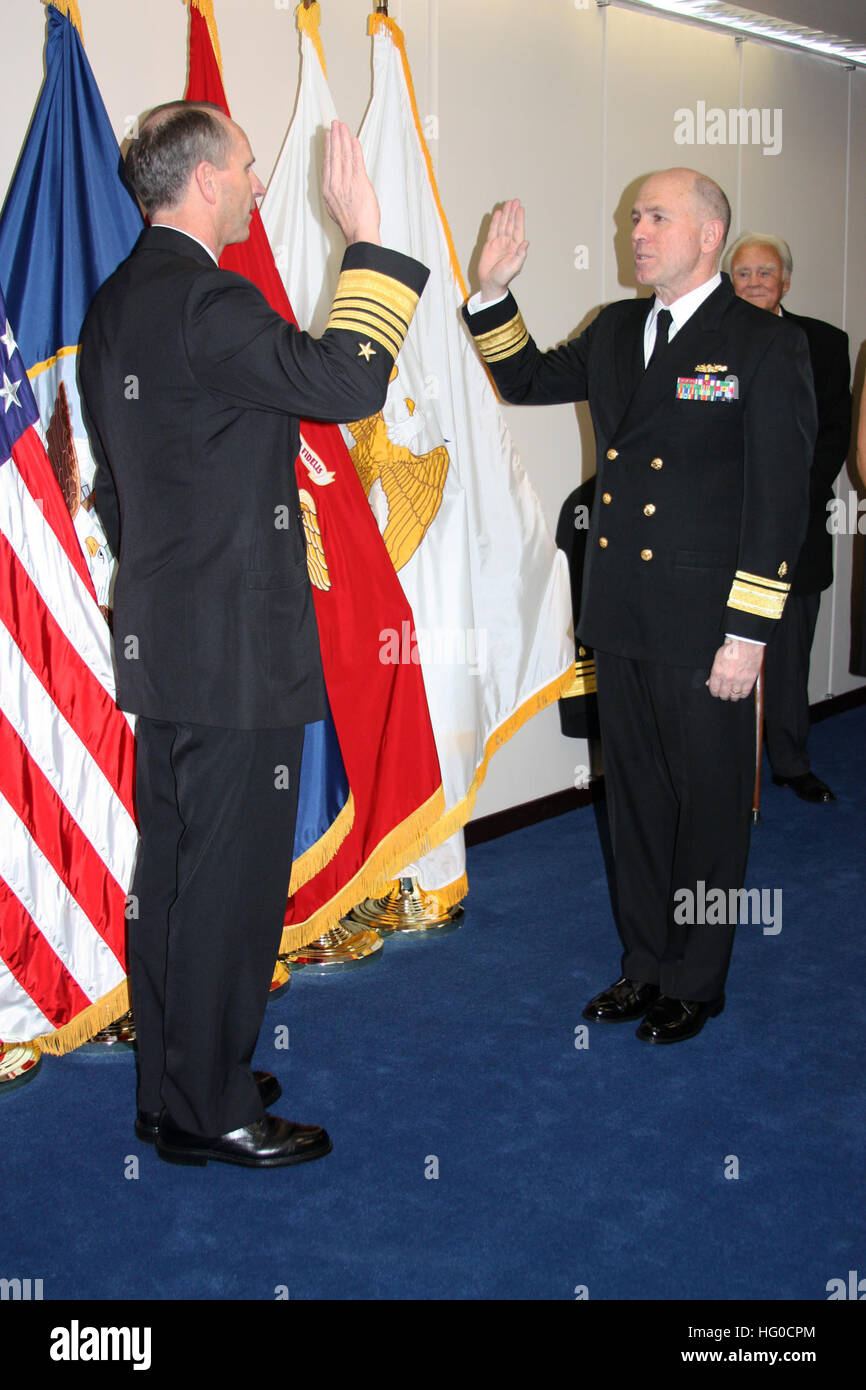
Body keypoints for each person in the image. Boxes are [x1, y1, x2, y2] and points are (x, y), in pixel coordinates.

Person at [80, 102, 428, 1166]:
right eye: (245, 166)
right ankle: (216, 1109)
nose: (259, 181)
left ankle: (173, 1080)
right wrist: (366, 234)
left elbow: (122, 494)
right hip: (233, 648)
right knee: (225, 887)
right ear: (200, 184)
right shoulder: (206, 298)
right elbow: (347, 382)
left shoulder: (117, 302)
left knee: (175, 874)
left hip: (169, 638)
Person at [463, 169, 815, 1044]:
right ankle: (645, 962)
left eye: (657, 217)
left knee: (708, 801)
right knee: (637, 803)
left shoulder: (763, 343)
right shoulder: (620, 329)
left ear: (708, 237)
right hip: (621, 613)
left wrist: (749, 632)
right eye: (633, 218)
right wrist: (493, 293)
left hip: (707, 628)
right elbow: (529, 379)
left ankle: (696, 977)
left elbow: (780, 499)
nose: (637, 231)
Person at [727, 233, 852, 802]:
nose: (754, 283)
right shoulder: (706, 339)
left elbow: (832, 438)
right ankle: (724, 769)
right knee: (720, 653)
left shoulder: (825, 343)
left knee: (788, 653)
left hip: (796, 530)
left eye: (765, 272)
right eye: (743, 273)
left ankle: (791, 762)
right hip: (719, 530)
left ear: (786, 281)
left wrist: (781, 498)